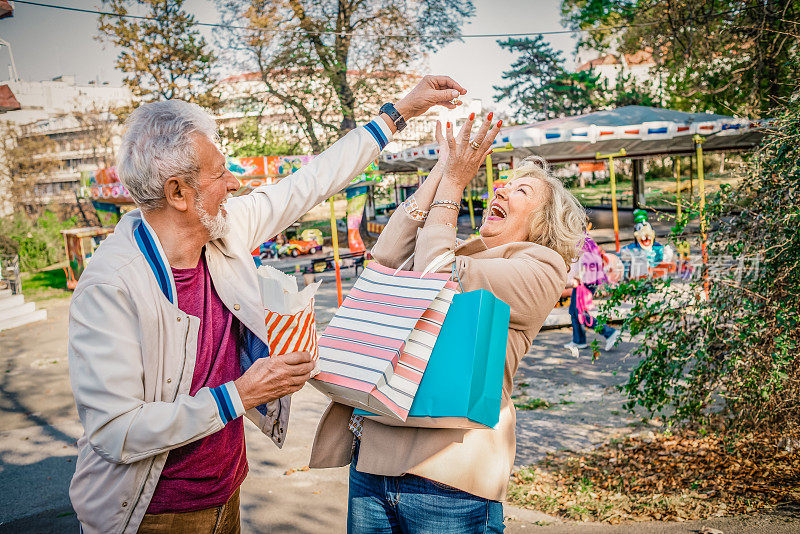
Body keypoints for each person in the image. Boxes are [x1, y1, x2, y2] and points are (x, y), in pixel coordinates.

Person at [67, 75, 467, 534]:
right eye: (219, 173)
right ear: (178, 193)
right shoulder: (110, 287)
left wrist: (399, 113)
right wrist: (241, 395)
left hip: (226, 493)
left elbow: (308, 183)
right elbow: (116, 430)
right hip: (153, 515)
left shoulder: (221, 229)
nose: (234, 184)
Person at [310, 115, 587, 532]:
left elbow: (436, 270)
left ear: (543, 223)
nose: (502, 189)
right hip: (373, 464)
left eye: (521, 190)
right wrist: (444, 169)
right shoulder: (465, 251)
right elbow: (385, 258)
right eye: (504, 184)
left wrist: (455, 187)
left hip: (450, 479)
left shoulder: (541, 266)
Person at [563, 227, 620, 352]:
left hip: (583, 282)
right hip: (589, 281)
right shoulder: (586, 239)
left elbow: (583, 262)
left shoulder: (579, 240)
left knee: (580, 313)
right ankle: (579, 341)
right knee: (575, 311)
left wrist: (574, 279)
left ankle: (609, 332)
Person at [620, 209, 674, 279]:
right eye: (643, 237)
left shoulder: (660, 250)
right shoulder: (631, 250)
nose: (646, 239)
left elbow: (668, 266)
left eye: (648, 237)